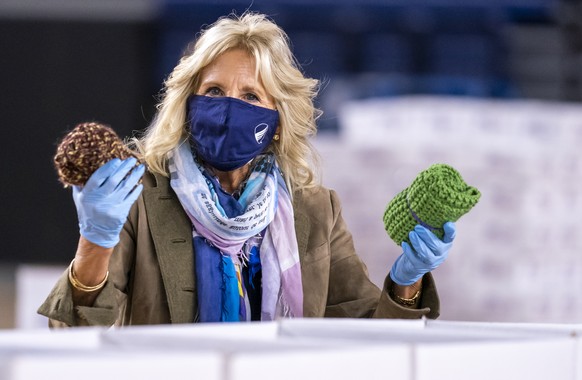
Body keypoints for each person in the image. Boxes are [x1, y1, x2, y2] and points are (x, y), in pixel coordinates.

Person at [38, 12, 456, 327]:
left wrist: (407, 281)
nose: (228, 109)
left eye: (251, 96)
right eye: (214, 91)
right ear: (188, 104)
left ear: (276, 122)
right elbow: (73, 332)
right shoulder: (140, 198)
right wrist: (93, 242)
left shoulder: (315, 210)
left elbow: (367, 341)